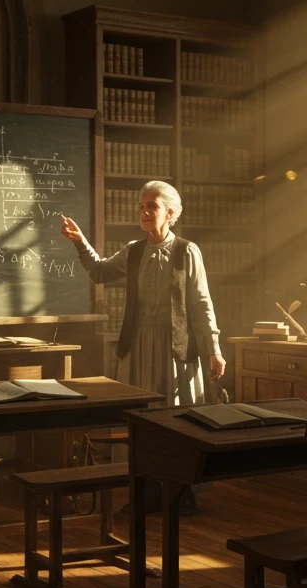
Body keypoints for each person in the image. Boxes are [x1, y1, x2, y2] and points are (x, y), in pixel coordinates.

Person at [60, 180, 225, 514]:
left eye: (152, 206)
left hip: (176, 348)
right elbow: (100, 272)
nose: (145, 212)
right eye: (141, 206)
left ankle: (180, 494)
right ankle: (145, 491)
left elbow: (201, 303)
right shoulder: (134, 250)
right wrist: (81, 244)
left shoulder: (187, 251)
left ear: (170, 212)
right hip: (137, 346)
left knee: (176, 417)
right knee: (140, 419)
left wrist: (214, 348)